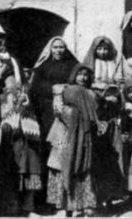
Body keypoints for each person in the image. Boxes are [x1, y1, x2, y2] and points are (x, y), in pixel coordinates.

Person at [30, 36, 78, 201]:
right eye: (55, 47)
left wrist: (66, 89)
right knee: (51, 149)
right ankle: (48, 195)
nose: (59, 50)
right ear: (50, 49)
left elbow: (80, 81)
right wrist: (52, 88)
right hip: (48, 113)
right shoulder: (43, 67)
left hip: (69, 112)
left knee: (68, 148)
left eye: (61, 47)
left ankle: (68, 193)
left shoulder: (73, 65)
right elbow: (34, 88)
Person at [46, 84, 98, 217]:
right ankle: (80, 207)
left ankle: (65, 208)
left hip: (64, 150)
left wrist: (58, 93)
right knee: (80, 176)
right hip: (79, 151)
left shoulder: (69, 111)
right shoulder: (86, 111)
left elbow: (57, 108)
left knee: (66, 175)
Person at [0, 76, 42, 216]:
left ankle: (29, 208)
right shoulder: (5, 106)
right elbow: (4, 122)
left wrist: (27, 107)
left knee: (30, 176)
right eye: (12, 92)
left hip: (29, 147)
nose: (17, 96)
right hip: (14, 148)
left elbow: (34, 124)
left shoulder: (29, 104)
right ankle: (14, 208)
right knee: (15, 178)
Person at [91, 84, 125, 211]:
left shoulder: (118, 116)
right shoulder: (100, 116)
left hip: (111, 151)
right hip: (101, 151)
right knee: (101, 176)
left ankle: (110, 200)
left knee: (111, 176)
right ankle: (101, 201)